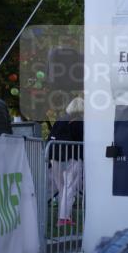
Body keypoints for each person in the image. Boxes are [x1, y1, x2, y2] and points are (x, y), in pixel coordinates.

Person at [48, 97, 84, 227]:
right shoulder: (79, 121)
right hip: (72, 156)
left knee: (62, 187)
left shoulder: (60, 119)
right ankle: (63, 218)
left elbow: (50, 137)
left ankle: (64, 217)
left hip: (54, 156)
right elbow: (82, 139)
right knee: (70, 187)